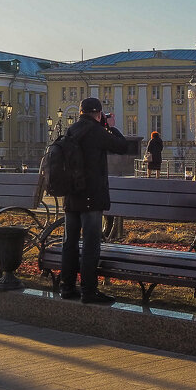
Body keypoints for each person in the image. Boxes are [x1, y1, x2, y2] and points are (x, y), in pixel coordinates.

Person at [60, 96, 128, 304]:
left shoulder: (71, 130)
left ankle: (67, 287)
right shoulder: (97, 131)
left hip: (71, 196)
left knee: (69, 243)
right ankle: (89, 291)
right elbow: (122, 146)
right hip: (91, 196)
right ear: (98, 114)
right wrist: (111, 127)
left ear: (81, 112)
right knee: (91, 244)